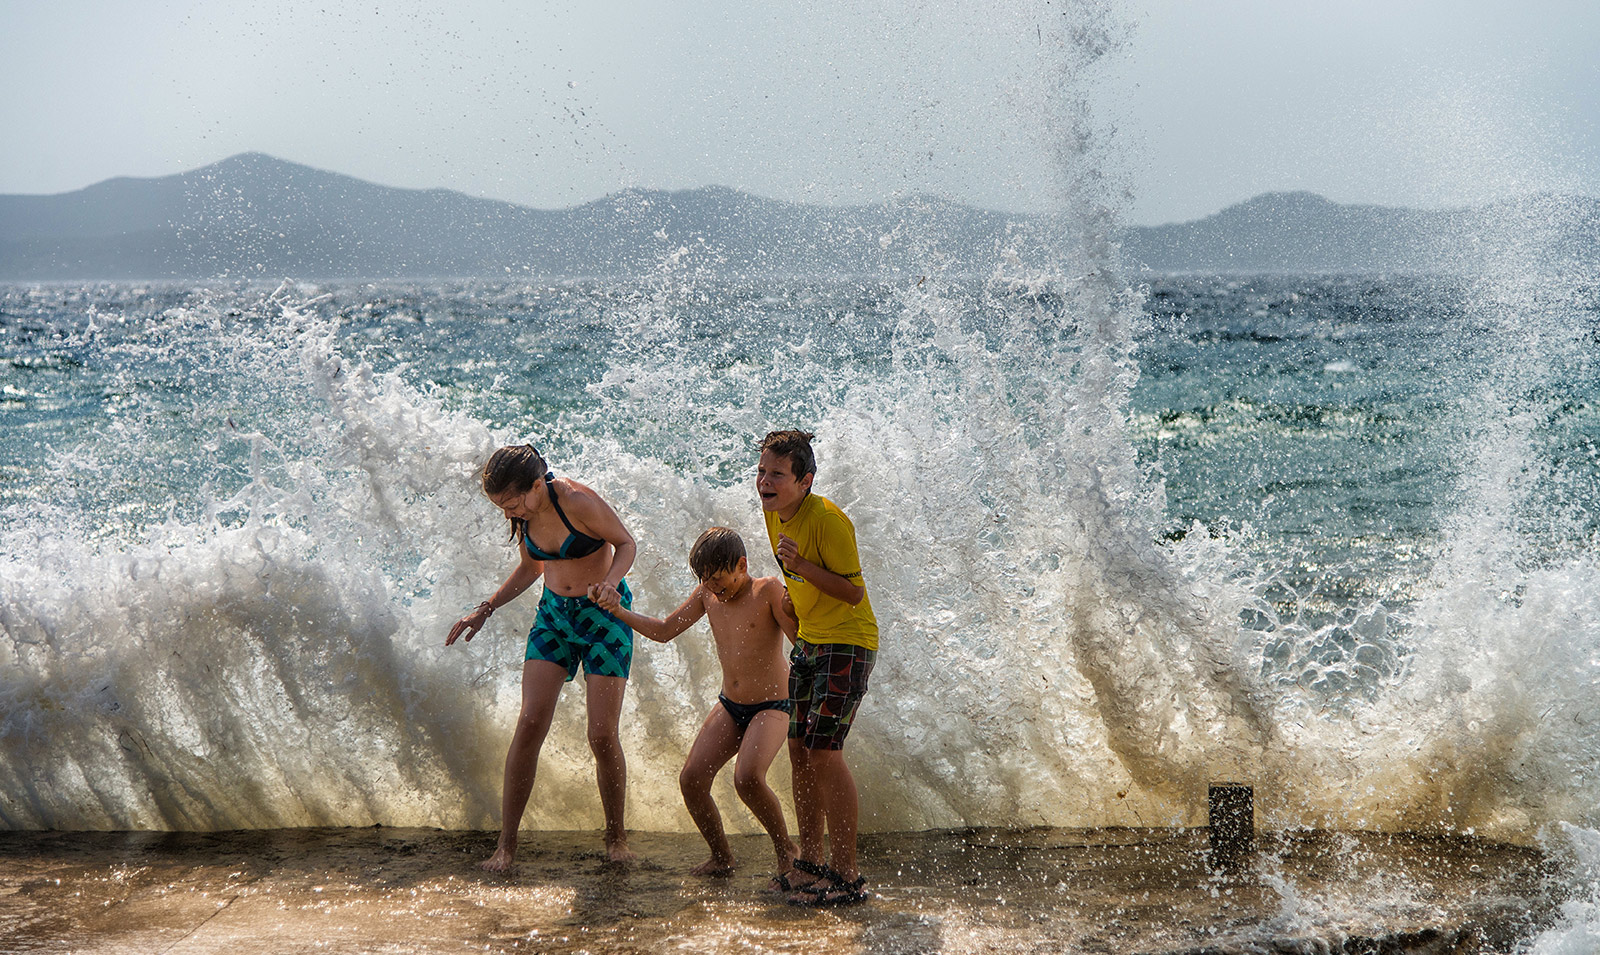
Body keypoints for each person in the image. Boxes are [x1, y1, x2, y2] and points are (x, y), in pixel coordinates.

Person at [445, 444, 638, 871]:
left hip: (604, 619)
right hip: (554, 617)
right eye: (501, 507)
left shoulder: (578, 502)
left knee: (601, 735)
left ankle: (617, 837)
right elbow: (531, 568)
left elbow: (625, 543)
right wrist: (486, 608)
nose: (510, 513)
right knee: (530, 721)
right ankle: (506, 845)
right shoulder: (526, 517)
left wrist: (610, 582)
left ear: (537, 485)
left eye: (513, 503)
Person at [591, 527, 801, 883]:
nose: (715, 588)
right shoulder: (707, 594)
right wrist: (618, 610)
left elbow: (801, 641)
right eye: (707, 581)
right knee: (691, 779)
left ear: (741, 565)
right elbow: (663, 630)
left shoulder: (766, 590)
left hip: (774, 704)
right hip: (731, 706)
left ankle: (788, 853)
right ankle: (721, 857)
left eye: (720, 580)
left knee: (748, 778)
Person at [756, 429, 878, 907]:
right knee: (799, 750)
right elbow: (797, 575)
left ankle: (847, 875)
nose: (765, 482)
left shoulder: (828, 521)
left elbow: (852, 594)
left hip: (848, 643)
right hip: (810, 641)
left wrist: (802, 568)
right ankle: (809, 864)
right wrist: (794, 593)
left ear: (805, 481)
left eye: (777, 475)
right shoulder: (774, 512)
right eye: (762, 471)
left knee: (825, 752)